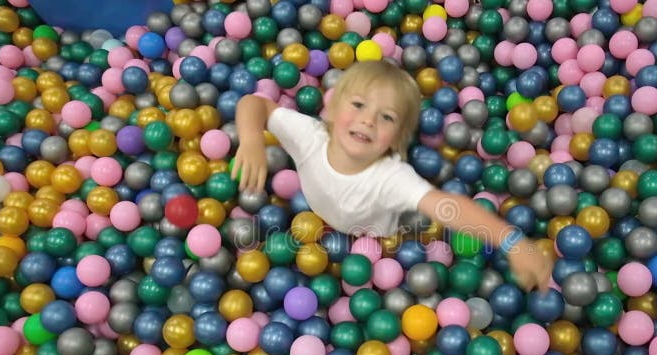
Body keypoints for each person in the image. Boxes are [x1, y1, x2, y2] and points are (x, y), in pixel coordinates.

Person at [233, 60, 552, 292]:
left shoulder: (391, 178)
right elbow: (255, 103)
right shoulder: (310, 136)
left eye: (387, 117)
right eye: (357, 105)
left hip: (379, 233)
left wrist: (513, 242)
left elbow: (447, 206)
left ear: (397, 139)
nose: (368, 119)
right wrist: (251, 139)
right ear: (330, 111)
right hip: (317, 211)